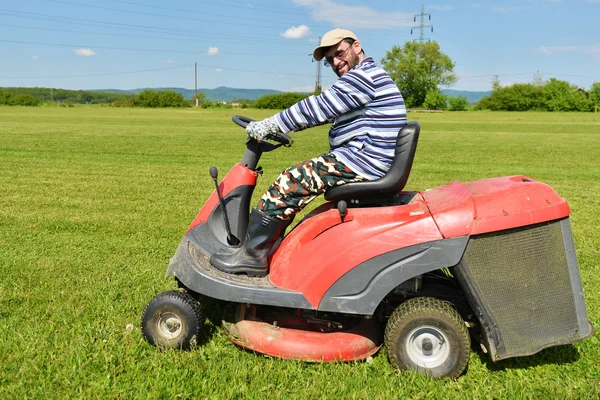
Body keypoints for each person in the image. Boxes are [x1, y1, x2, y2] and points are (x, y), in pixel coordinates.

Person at [211, 28, 407, 277]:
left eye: (339, 53)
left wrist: (269, 125)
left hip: (363, 162)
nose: (336, 62)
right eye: (330, 61)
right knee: (296, 178)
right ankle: (266, 249)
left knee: (289, 182)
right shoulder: (367, 78)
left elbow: (317, 108)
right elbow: (327, 111)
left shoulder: (363, 77)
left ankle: (252, 256)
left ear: (356, 46)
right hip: (367, 159)